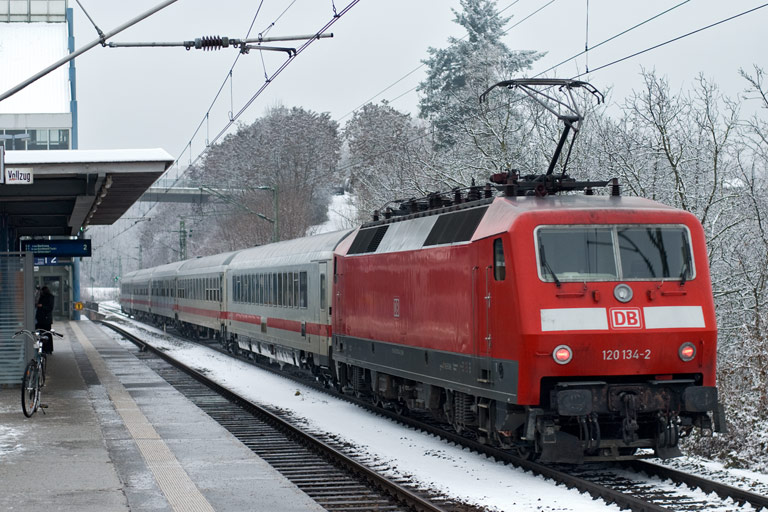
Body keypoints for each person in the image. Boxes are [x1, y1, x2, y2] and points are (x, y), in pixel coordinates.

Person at [35, 286, 55, 354]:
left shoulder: (49, 297)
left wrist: (42, 306)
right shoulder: (43, 297)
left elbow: (50, 308)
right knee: (45, 334)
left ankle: (47, 349)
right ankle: (45, 349)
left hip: (45, 319)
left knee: (46, 334)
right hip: (43, 319)